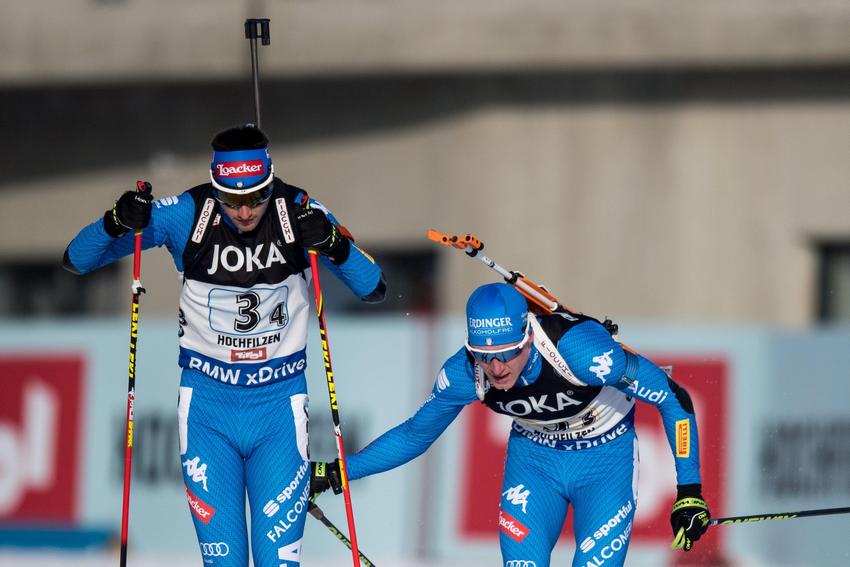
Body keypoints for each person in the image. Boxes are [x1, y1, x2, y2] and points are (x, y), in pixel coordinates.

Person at [63, 124, 385, 567]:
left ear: (271, 181)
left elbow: (374, 287)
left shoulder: (297, 211)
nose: (246, 211)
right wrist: (114, 222)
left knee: (276, 562)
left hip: (278, 408)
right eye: (232, 200)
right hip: (208, 412)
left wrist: (334, 246)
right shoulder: (187, 215)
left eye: (257, 196)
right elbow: (76, 260)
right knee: (225, 562)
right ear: (216, 190)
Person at [311, 282, 710, 567]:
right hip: (535, 463)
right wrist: (340, 471)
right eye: (484, 356)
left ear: (527, 336)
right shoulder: (467, 373)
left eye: (507, 353)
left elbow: (675, 399)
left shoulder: (580, 352)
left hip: (605, 461)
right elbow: (416, 434)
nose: (497, 368)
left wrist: (689, 491)